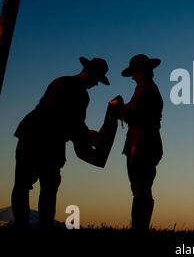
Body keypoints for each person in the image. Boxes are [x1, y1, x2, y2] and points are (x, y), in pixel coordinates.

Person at [11, 57, 121, 228]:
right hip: (34, 137)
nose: (97, 84)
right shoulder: (62, 84)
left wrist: (87, 134)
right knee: (25, 185)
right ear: (86, 73)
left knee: (47, 187)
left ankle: (43, 226)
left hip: (50, 141)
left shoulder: (80, 94)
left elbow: (76, 123)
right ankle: (22, 225)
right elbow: (58, 116)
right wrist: (87, 135)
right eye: (96, 79)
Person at [120, 54, 163, 231]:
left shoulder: (145, 90)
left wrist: (119, 110)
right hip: (147, 141)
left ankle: (139, 230)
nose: (133, 77)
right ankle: (140, 228)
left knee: (140, 186)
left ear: (142, 72)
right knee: (142, 186)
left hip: (142, 142)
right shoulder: (148, 89)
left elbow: (134, 112)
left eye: (135, 72)